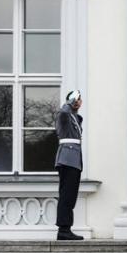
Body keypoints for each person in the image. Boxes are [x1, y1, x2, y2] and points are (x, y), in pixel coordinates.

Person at [54, 90, 84, 240]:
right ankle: (63, 229)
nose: (79, 102)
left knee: (70, 195)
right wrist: (70, 101)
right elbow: (63, 112)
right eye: (76, 99)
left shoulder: (75, 117)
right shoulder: (65, 115)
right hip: (67, 158)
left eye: (79, 99)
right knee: (66, 195)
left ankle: (66, 228)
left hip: (74, 159)